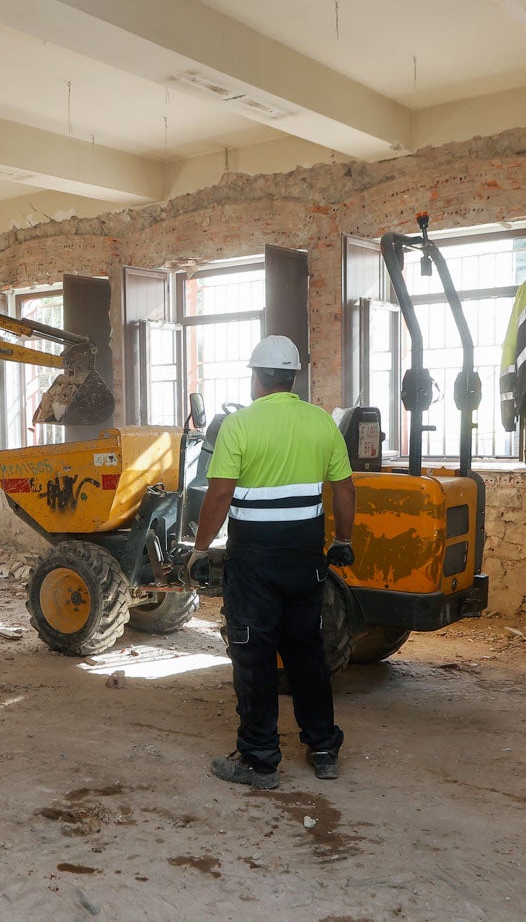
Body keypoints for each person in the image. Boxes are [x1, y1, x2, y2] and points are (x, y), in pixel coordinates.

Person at [189, 335, 356, 789]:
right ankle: (323, 749)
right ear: (292, 377)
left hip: (255, 559)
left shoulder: (239, 425)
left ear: (258, 376)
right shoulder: (321, 423)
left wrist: (200, 550)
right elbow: (344, 488)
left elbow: (220, 493)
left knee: (254, 653)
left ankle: (260, 760)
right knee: (307, 650)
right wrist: (342, 539)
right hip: (306, 556)